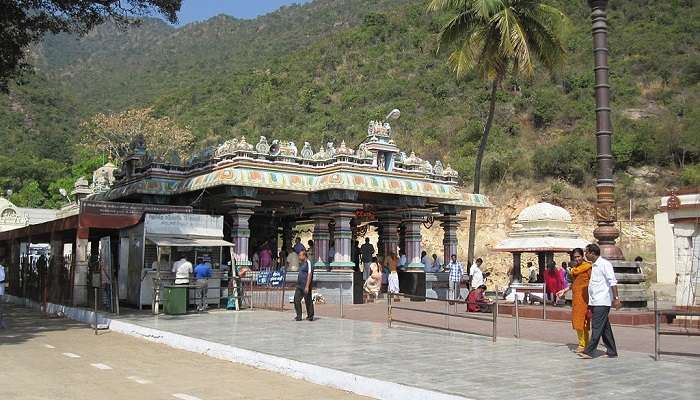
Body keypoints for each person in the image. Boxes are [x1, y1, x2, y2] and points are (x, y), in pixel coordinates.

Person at [578, 243, 620, 359]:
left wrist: (616, 299)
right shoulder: (593, 266)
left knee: (596, 326)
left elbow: (612, 282)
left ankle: (589, 351)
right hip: (595, 301)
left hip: (602, 301)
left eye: (586, 252)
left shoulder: (604, 264)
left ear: (592, 253)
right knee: (605, 327)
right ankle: (612, 351)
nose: (585, 255)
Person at [556, 248, 592, 353]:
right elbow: (574, 284)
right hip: (576, 298)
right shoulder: (575, 269)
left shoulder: (588, 268)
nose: (577, 259)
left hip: (585, 298)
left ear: (583, 256)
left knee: (583, 322)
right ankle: (583, 343)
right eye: (575, 257)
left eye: (578, 256)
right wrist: (564, 290)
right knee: (577, 321)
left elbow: (593, 282)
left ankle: (584, 344)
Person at [294, 250, 314, 321]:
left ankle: (310, 316)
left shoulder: (309, 263)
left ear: (304, 256)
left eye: (300, 255)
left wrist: (307, 286)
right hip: (299, 285)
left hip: (305, 285)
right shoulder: (301, 263)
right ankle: (299, 316)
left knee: (308, 300)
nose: (299, 257)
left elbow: (309, 274)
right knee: (296, 299)